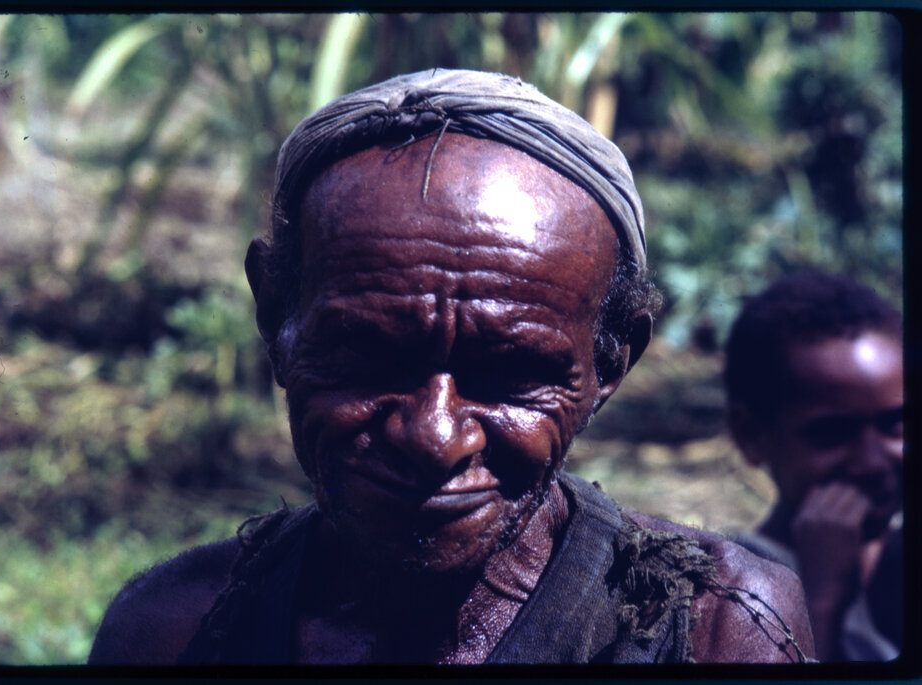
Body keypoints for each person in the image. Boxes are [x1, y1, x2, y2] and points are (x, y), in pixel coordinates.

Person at [88, 69, 813, 665]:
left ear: (611, 358)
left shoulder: (718, 634)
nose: (434, 438)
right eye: (368, 356)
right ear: (277, 317)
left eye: (509, 373)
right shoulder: (173, 634)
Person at [725, 272, 903, 661]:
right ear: (751, 437)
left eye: (896, 424)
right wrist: (818, 604)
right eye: (832, 434)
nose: (872, 463)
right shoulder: (728, 585)